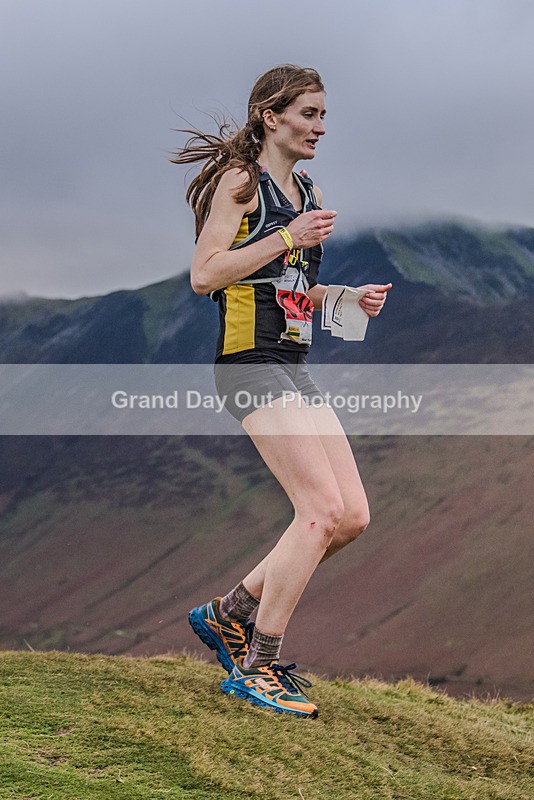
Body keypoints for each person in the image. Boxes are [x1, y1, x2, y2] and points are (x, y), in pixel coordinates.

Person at [171, 64, 391, 718]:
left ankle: (227, 614)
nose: (320, 127)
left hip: (293, 364)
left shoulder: (308, 189)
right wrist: (286, 235)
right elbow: (205, 275)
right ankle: (255, 668)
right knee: (318, 510)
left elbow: (285, 284)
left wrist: (343, 300)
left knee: (351, 517)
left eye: (324, 116)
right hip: (247, 362)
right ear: (271, 116)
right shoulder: (243, 184)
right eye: (308, 114)